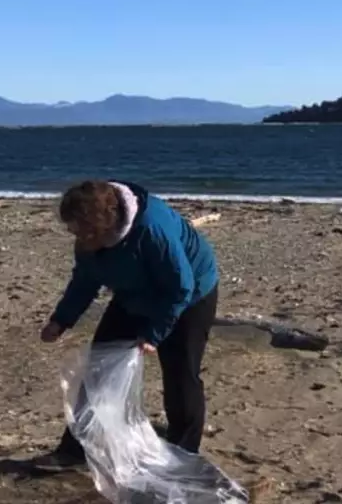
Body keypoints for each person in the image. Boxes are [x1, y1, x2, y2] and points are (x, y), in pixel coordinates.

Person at [35, 180, 220, 469]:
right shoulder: (88, 240)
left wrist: (153, 334)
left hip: (190, 294)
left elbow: (179, 288)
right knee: (99, 369)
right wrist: (61, 320)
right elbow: (85, 280)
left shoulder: (151, 229)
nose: (76, 237)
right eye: (73, 230)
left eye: (82, 231)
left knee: (181, 374)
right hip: (133, 293)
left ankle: (183, 454)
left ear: (103, 224)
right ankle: (73, 452)